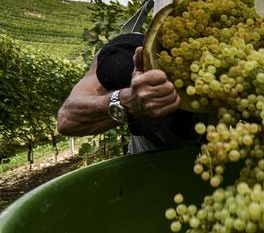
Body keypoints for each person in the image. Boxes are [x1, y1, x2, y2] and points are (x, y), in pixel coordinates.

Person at [56, 33, 202, 154]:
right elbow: (66, 120)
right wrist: (127, 101)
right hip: (145, 161)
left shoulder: (211, 61)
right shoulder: (122, 52)